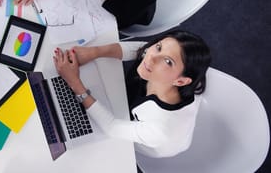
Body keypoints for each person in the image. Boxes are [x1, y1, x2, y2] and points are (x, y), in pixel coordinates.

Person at [54, 30, 211, 158]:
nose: (151, 58)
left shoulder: (161, 130)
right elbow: (143, 48)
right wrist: (94, 52)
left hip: (146, 144)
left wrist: (74, 82)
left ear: (181, 82)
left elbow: (112, 128)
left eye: (168, 61)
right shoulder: (159, 65)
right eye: (159, 47)